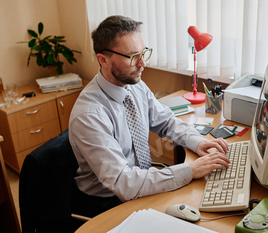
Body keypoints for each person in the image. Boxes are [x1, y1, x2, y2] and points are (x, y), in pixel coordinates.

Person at [69, 15, 230, 218]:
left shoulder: (133, 86)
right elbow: (123, 183)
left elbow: (166, 121)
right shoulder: (89, 115)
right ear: (103, 59)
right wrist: (190, 170)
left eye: (143, 52)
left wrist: (197, 142)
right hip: (106, 202)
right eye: (133, 56)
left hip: (137, 182)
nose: (143, 63)